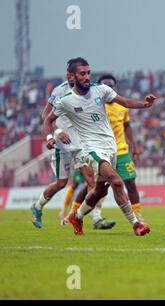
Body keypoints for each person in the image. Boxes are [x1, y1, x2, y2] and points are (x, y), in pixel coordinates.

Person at [44, 57, 155, 236]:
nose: (87, 77)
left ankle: (76, 216)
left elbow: (125, 102)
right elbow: (48, 120)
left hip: (110, 147)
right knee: (117, 181)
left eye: (88, 73)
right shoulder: (66, 101)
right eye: (82, 74)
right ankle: (136, 224)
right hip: (91, 149)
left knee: (100, 190)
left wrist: (144, 104)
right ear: (72, 76)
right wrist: (51, 136)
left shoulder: (100, 90)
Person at [31, 59, 114, 230]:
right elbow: (46, 115)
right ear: (69, 74)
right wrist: (55, 133)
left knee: (94, 182)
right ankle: (38, 206)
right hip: (63, 146)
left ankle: (96, 218)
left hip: (82, 144)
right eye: (73, 74)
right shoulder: (59, 91)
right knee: (61, 183)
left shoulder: (89, 90)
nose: (76, 77)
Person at [63, 74, 146, 226]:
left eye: (111, 86)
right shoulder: (94, 105)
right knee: (95, 186)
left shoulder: (121, 106)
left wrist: (134, 146)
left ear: (115, 88)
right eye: (105, 86)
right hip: (98, 150)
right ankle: (77, 214)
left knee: (129, 182)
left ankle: (137, 215)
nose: (108, 88)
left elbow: (127, 126)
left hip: (120, 150)